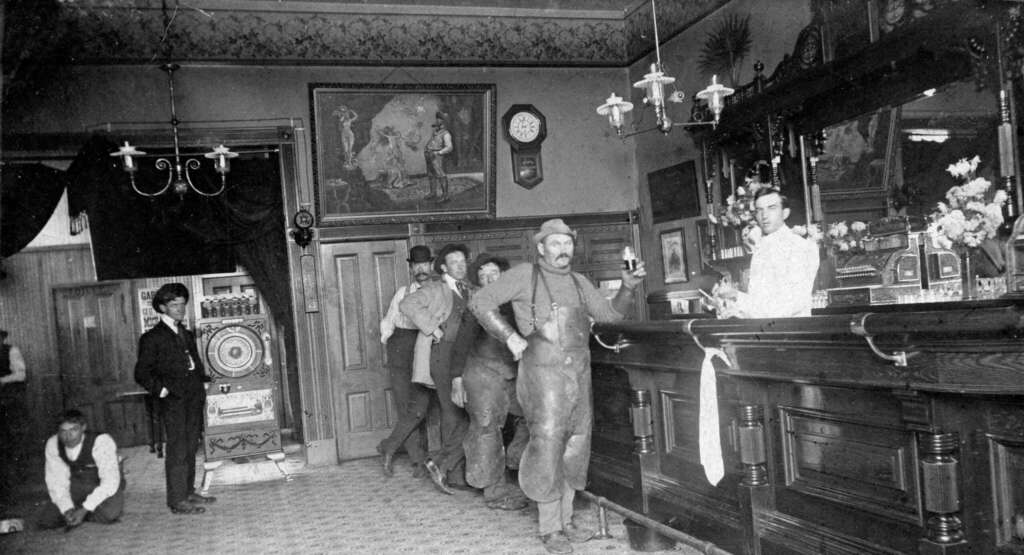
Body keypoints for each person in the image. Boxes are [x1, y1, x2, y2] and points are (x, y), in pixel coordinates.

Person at [469, 218, 646, 555]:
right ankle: (551, 529)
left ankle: (564, 522)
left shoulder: (580, 282)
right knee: (548, 443)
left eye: (567, 243)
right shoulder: (524, 275)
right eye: (555, 243)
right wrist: (509, 337)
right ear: (540, 248)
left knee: (577, 444)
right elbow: (480, 303)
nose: (563, 250)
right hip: (542, 375)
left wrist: (627, 287)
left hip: (579, 375)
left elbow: (609, 316)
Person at [452, 253, 529, 511]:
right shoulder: (477, 305)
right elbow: (461, 344)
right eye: (482, 276)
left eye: (493, 273)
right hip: (481, 373)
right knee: (486, 429)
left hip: (513, 372)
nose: (488, 279)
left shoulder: (517, 301)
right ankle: (494, 491)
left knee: (533, 417)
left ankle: (516, 464)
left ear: (504, 275)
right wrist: (456, 379)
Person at [134, 283, 215, 515]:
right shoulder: (152, 338)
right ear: (162, 307)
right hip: (174, 402)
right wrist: (162, 392)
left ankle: (188, 492)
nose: (180, 309)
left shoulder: (185, 333)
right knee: (178, 450)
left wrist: (203, 381)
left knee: (191, 447)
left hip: (193, 398)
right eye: (173, 305)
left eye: (182, 304)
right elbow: (141, 373)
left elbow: (195, 364)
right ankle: (177, 500)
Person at [399, 243, 474, 495]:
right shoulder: (436, 288)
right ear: (443, 267)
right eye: (455, 262)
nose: (461, 266)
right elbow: (408, 305)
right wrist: (434, 328)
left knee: (468, 412)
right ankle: (450, 471)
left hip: (466, 358)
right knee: (454, 411)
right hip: (443, 356)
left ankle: (444, 464)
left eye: (463, 262)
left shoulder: (471, 290)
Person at [708, 188, 820, 318]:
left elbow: (787, 306)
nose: (764, 215)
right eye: (759, 210)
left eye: (771, 208)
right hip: (765, 331)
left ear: (785, 213)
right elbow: (759, 300)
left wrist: (737, 296)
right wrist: (731, 302)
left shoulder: (801, 247)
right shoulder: (762, 247)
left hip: (791, 332)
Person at [377, 245, 435, 478]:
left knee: (419, 409)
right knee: (405, 407)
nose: (421, 269)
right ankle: (418, 461)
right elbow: (388, 322)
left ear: (431, 266)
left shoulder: (438, 292)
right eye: (416, 265)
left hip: (425, 350)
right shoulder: (402, 292)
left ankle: (387, 446)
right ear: (411, 268)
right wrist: (390, 346)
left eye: (424, 264)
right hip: (401, 348)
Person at [38, 409, 125, 530]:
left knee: (109, 515)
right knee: (47, 520)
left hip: (102, 483)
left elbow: (110, 482)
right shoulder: (53, 443)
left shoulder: (102, 441)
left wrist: (85, 509)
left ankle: (84, 510)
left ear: (83, 427)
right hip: (76, 484)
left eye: (73, 430)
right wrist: (67, 509)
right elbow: (56, 481)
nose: (68, 437)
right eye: (63, 431)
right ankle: (80, 511)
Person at [424, 111, 454, 203]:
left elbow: (449, 147)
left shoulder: (446, 134)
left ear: (443, 122)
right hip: (429, 155)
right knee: (431, 175)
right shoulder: (436, 132)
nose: (437, 120)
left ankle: (445, 195)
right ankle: (433, 193)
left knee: (441, 175)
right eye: (437, 118)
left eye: (439, 119)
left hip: (437, 156)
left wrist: (439, 152)